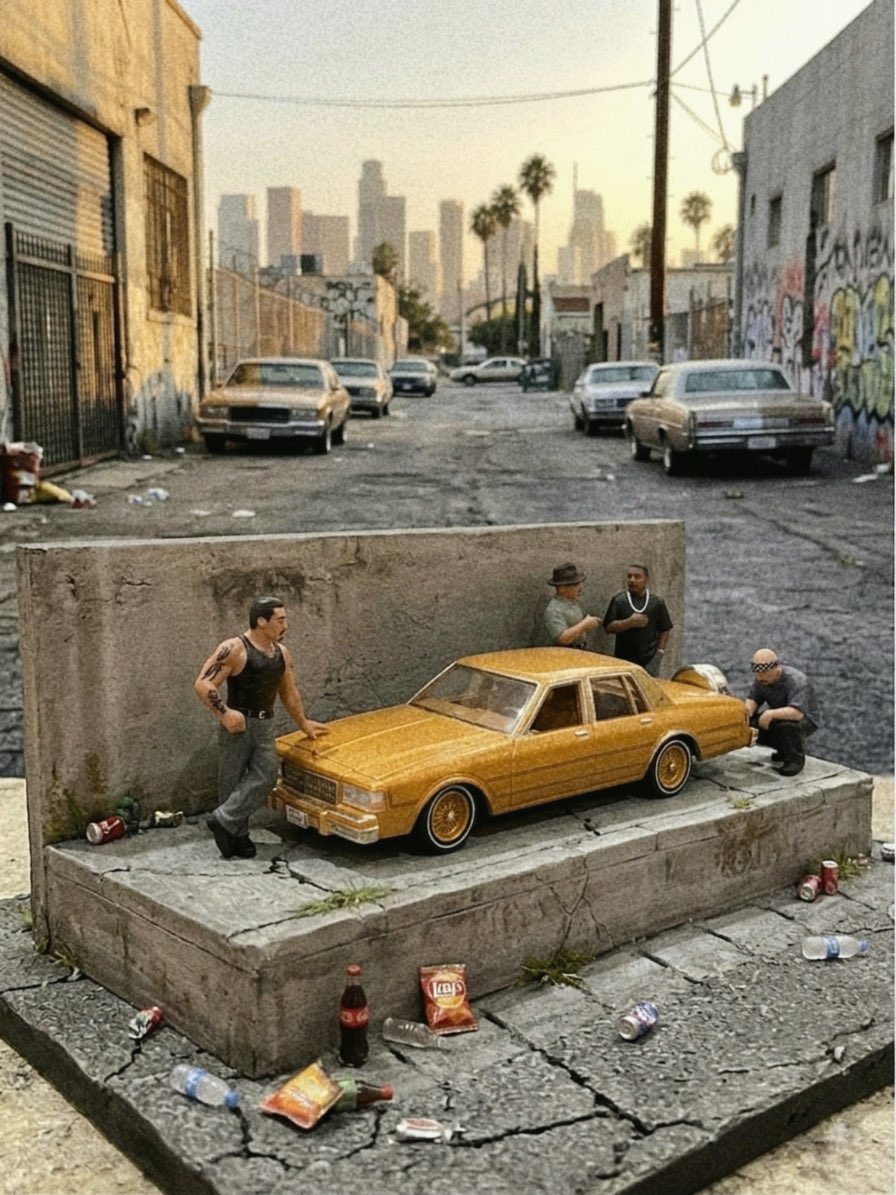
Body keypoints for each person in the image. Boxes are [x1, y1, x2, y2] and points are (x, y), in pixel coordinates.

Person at [195, 595, 328, 859]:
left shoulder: (281, 653)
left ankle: (223, 819)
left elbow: (289, 692)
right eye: (280, 620)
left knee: (266, 775)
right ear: (261, 621)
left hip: (265, 724)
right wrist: (224, 714)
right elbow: (203, 684)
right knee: (231, 780)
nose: (285, 625)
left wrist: (303, 723)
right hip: (239, 724)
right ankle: (236, 835)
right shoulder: (234, 648)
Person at [744, 648, 818, 776]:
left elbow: (797, 713)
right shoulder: (762, 681)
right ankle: (783, 749)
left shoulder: (797, 681)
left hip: (803, 720)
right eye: (757, 674)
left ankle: (795, 759)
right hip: (779, 716)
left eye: (765, 673)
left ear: (776, 668)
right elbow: (753, 700)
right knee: (752, 725)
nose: (760, 678)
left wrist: (770, 714)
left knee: (786, 727)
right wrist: (745, 715)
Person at [602, 563, 673, 676]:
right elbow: (608, 627)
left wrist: (659, 654)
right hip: (622, 660)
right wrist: (628, 623)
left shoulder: (657, 603)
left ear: (646, 579)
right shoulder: (619, 601)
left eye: (637, 576)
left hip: (648, 660)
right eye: (629, 576)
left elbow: (665, 628)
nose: (632, 580)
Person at [544, 563, 601, 649]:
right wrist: (585, 624)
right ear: (562, 588)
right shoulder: (553, 610)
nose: (580, 588)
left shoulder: (572, 602)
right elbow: (562, 639)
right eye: (575, 585)